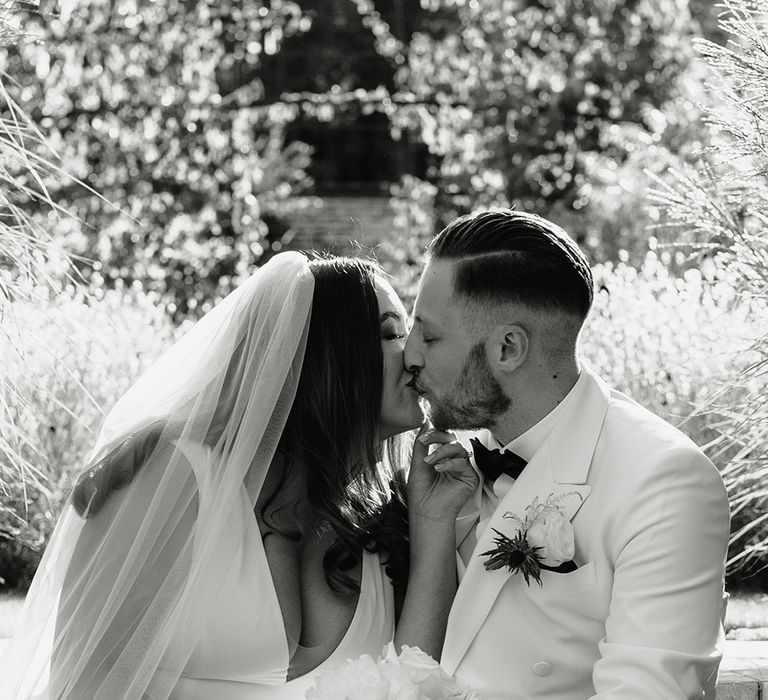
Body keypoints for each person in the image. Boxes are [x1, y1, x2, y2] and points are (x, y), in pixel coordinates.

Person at [0, 251, 476, 700]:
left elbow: (409, 683)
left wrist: (433, 527)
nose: (415, 354)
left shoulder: (382, 515)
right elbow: (86, 676)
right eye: (391, 333)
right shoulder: (178, 474)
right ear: (323, 356)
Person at [404, 209, 731, 699]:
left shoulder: (664, 482)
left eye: (429, 336)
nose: (408, 354)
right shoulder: (451, 466)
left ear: (508, 348)